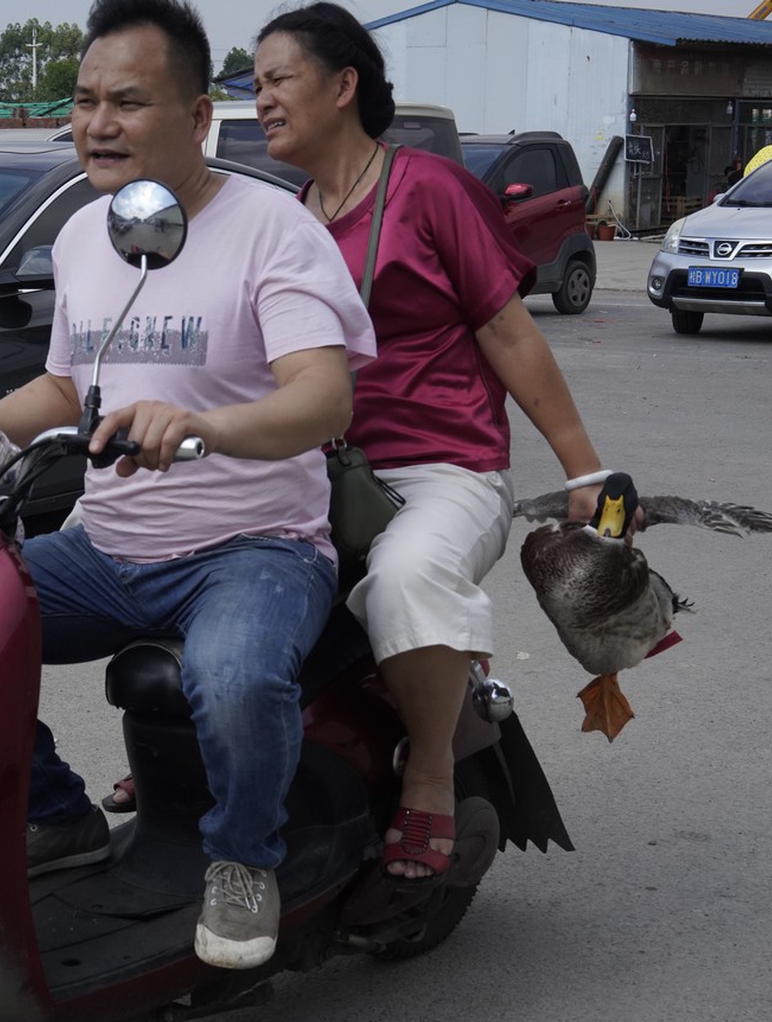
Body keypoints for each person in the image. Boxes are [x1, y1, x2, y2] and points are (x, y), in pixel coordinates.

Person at [0, 0, 376, 969]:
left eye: (129, 102)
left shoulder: (272, 231)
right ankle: (55, 813)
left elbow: (324, 397)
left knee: (233, 678)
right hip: (110, 544)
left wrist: (205, 426)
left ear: (198, 117)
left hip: (253, 546)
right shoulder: (90, 237)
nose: (98, 122)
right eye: (87, 99)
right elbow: (66, 383)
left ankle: (242, 860)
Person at [250, 3, 613, 884]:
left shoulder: (430, 189)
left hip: (446, 469)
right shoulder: (287, 217)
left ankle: (430, 769)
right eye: (253, 83)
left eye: (277, 79)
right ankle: (218, 766)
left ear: (343, 87)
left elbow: (509, 334)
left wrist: (585, 469)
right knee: (206, 566)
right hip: (323, 474)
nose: (259, 99)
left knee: (409, 574)